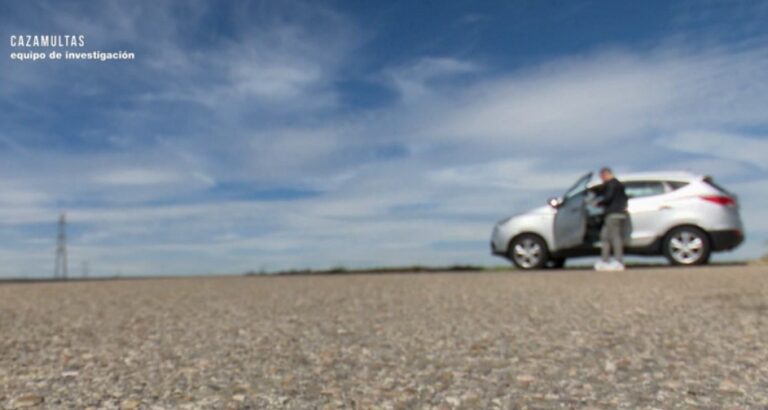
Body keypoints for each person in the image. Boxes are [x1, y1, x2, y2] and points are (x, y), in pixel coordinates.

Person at [595, 167, 628, 271]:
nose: (601, 180)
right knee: (604, 236)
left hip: (613, 213)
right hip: (619, 213)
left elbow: (608, 197)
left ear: (605, 174)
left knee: (615, 237)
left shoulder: (611, 184)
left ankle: (618, 261)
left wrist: (598, 203)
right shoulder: (620, 185)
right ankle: (604, 260)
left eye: (601, 177)